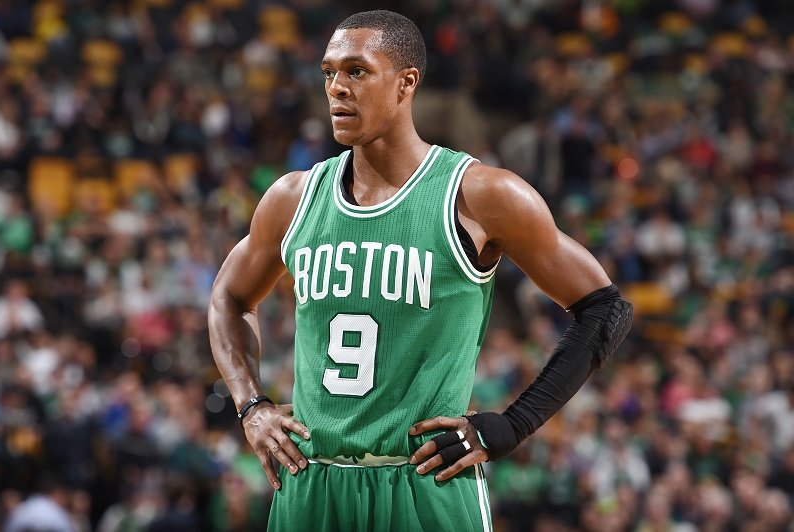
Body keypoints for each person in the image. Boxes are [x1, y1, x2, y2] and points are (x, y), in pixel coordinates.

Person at [208, 9, 633, 532]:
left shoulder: (479, 194)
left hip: (424, 484)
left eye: (357, 71)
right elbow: (228, 297)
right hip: (310, 483)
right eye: (328, 72)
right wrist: (251, 406)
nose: (337, 87)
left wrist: (511, 426)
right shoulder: (292, 198)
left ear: (406, 82)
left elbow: (605, 309)